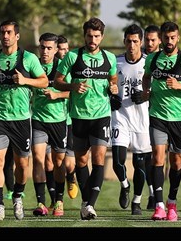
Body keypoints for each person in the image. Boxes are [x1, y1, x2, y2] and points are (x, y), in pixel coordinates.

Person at [0, 20, 48, 221]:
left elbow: (43, 81)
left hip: (21, 119)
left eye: (9, 32)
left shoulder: (29, 59)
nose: (5, 36)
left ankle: (17, 197)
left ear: (17, 36)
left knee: (22, 165)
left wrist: (26, 81)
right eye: (2, 32)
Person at [54, 17, 118, 220]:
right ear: (84, 36)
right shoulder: (72, 57)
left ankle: (90, 204)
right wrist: (72, 86)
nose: (93, 39)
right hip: (78, 116)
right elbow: (57, 81)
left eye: (97, 36)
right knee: (81, 161)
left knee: (99, 159)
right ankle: (85, 203)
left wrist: (113, 86)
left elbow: (113, 78)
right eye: (90, 35)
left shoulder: (110, 58)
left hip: (101, 115)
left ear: (102, 37)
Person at [142, 21, 181, 221]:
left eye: (173, 37)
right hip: (157, 116)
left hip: (178, 118)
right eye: (166, 37)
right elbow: (146, 77)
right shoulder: (152, 59)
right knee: (157, 157)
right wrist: (146, 91)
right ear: (161, 38)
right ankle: (159, 206)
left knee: (176, 161)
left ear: (178, 38)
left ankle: (172, 202)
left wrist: (180, 86)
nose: (169, 41)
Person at [110, 24, 153, 215]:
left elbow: (157, 89)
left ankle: (137, 201)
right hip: (120, 118)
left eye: (136, 41)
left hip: (142, 121)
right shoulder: (116, 61)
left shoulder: (149, 62)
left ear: (141, 42)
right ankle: (124, 185)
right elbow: (108, 84)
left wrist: (146, 95)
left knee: (140, 164)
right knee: (117, 161)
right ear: (124, 41)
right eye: (128, 41)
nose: (132, 45)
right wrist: (110, 96)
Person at [31, 32, 70, 217]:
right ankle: (41, 202)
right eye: (42, 47)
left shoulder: (62, 67)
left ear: (56, 49)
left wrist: (57, 95)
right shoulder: (33, 65)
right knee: (39, 159)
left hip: (59, 121)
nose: (45, 51)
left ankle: (59, 201)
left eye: (49, 48)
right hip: (38, 120)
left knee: (59, 162)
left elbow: (74, 91)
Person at [55, 34, 79, 200]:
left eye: (66, 49)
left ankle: (71, 177)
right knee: (52, 162)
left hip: (69, 120)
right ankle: (54, 199)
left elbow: (75, 92)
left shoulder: (71, 67)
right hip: (50, 120)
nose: (64, 52)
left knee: (69, 164)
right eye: (61, 49)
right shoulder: (48, 67)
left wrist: (57, 95)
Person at [142, 24, 162, 210]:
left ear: (160, 40)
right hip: (143, 113)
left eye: (153, 40)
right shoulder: (139, 57)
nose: (149, 43)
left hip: (167, 114)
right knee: (147, 156)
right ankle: (152, 194)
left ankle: (160, 194)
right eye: (146, 39)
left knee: (167, 157)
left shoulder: (168, 58)